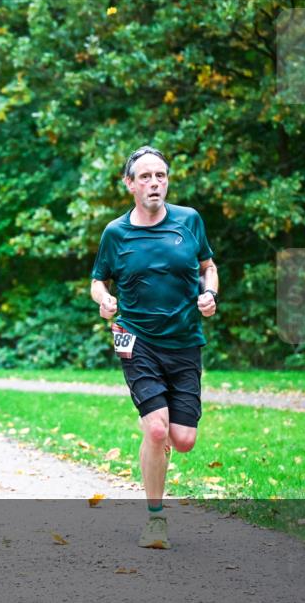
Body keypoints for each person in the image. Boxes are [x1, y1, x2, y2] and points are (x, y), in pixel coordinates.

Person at [89, 145, 219, 550]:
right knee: (158, 428)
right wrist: (104, 300)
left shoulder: (189, 221)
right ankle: (155, 518)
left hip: (184, 341)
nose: (154, 183)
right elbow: (98, 280)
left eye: (160, 175)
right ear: (130, 184)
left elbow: (208, 267)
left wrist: (210, 293)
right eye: (145, 177)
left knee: (183, 439)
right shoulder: (116, 233)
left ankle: (156, 441)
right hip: (135, 338)